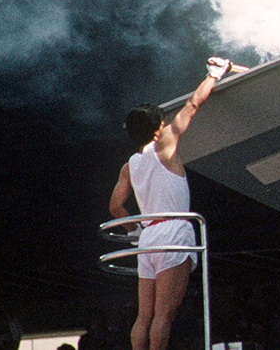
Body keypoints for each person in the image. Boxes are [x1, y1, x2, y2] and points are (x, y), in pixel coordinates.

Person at [109, 56, 232, 350]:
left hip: (148, 237)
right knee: (164, 315)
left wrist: (134, 231)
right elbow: (192, 105)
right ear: (156, 130)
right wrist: (213, 75)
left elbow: (116, 208)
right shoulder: (164, 144)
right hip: (174, 231)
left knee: (145, 316)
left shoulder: (129, 166)